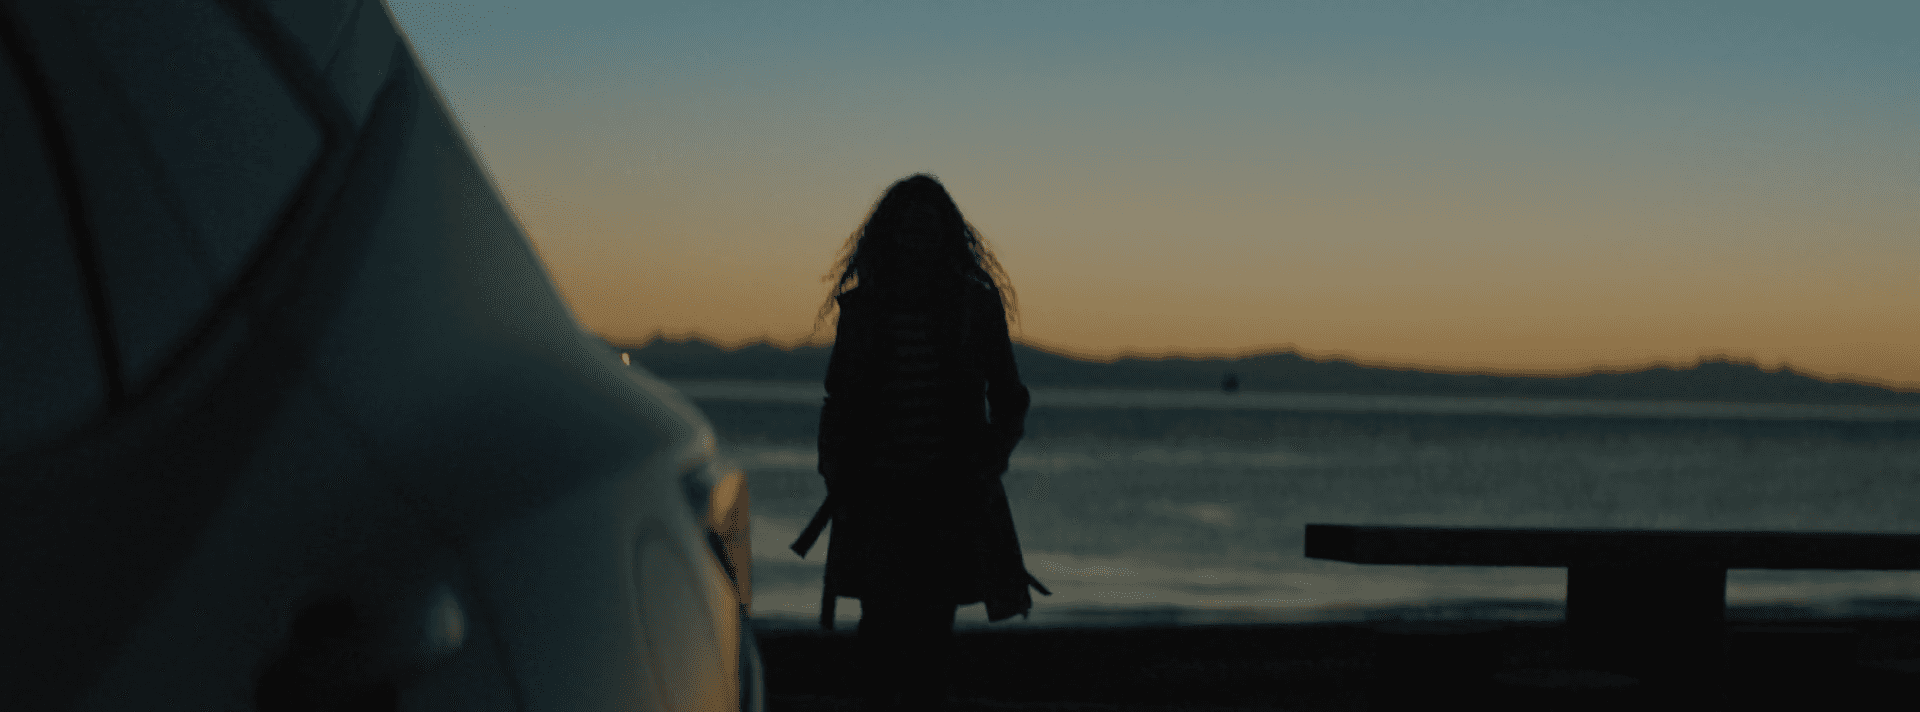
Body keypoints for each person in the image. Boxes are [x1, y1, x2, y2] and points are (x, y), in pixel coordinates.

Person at [791, 174, 1049, 710]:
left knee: (932, 637)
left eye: (928, 227)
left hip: (948, 501)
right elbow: (837, 401)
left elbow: (1010, 399)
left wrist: (985, 464)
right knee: (879, 637)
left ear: (946, 235)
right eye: (908, 227)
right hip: (875, 500)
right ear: (890, 234)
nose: (917, 238)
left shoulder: (975, 307)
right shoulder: (862, 311)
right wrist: (837, 469)